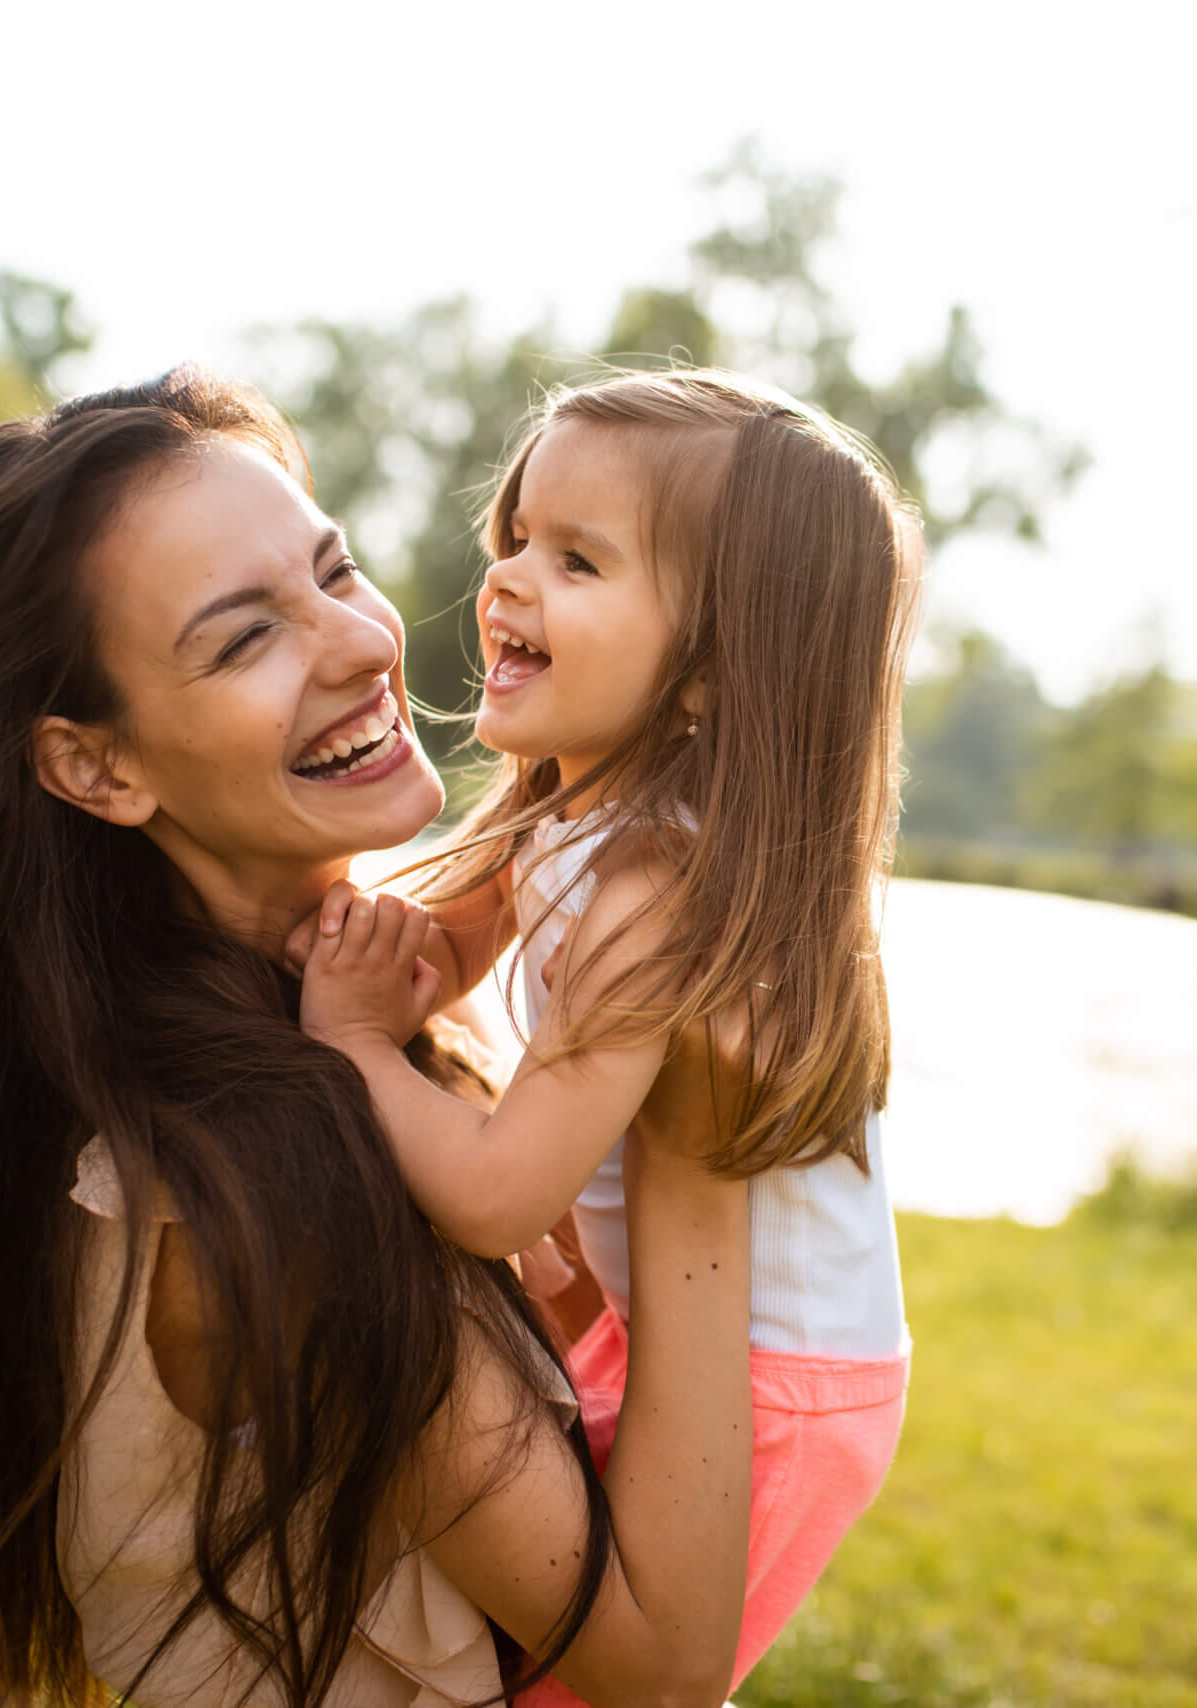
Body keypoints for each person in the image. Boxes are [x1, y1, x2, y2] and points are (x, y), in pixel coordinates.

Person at [0, 368, 756, 1708]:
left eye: (336, 572)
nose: (360, 643)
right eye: (244, 641)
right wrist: (702, 1132)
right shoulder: (268, 1184)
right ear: (97, 767)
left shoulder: (306, 1028)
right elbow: (665, 1663)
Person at [294, 369, 919, 1699]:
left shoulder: (655, 897)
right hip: (680, 1334)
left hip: (781, 1393)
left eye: (576, 561)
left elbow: (495, 1192)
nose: (509, 580)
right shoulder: (565, 810)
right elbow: (429, 950)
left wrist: (348, 1049)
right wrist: (363, 970)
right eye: (516, 538)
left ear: (706, 677)